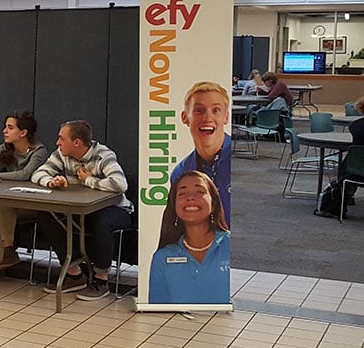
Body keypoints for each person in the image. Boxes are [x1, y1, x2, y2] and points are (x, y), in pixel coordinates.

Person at [31, 120, 132, 301]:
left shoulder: (103, 155)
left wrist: (88, 180)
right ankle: (74, 274)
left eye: (62, 138)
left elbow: (120, 184)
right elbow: (38, 173)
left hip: (115, 209)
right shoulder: (61, 154)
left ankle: (101, 280)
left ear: (76, 142)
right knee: (46, 215)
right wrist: (51, 182)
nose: (57, 143)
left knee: (99, 222)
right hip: (80, 209)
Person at [0, 111, 48, 282]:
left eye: (10, 127)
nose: (4, 131)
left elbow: (24, 175)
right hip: (12, 203)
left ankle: (2, 262)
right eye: (5, 127)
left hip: (34, 203)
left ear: (23, 132)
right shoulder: (6, 147)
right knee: (0, 208)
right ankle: (3, 258)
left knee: (3, 204)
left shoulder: (39, 151)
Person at [149, 171, 231, 305]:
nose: (190, 198)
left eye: (199, 192)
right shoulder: (162, 258)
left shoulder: (230, 246)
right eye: (182, 193)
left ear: (214, 204)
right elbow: (158, 311)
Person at [171, 82, 231, 225]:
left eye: (216, 110)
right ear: (185, 117)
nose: (207, 118)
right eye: (199, 110)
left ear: (226, 117)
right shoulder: (181, 173)